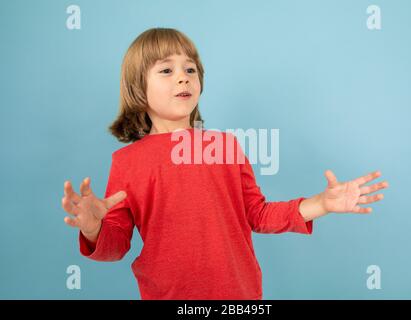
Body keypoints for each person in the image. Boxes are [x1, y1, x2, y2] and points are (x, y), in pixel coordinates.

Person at [61, 27, 389, 300]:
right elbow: (115, 246)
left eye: (190, 69)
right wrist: (94, 229)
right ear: (138, 88)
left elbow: (257, 215)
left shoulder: (224, 146)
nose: (182, 78)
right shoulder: (127, 161)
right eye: (166, 70)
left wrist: (321, 203)